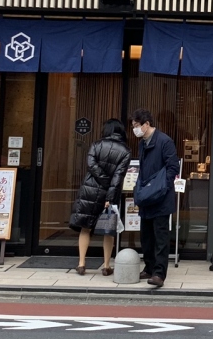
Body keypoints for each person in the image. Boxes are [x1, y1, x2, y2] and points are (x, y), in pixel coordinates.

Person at [68, 119, 130, 276]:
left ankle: (81, 263)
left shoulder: (96, 145)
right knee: (108, 230)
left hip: (89, 190)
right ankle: (107, 266)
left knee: (85, 227)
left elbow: (91, 164)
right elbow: (118, 177)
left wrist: (102, 179)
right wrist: (110, 193)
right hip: (109, 193)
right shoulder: (125, 151)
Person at [131, 109, 179, 288]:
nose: (135, 129)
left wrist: (161, 187)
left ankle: (159, 273)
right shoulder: (142, 144)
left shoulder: (164, 141)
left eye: (137, 125)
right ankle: (149, 268)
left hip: (161, 198)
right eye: (133, 126)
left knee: (160, 237)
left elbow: (173, 167)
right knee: (146, 237)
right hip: (146, 197)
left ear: (146, 124)